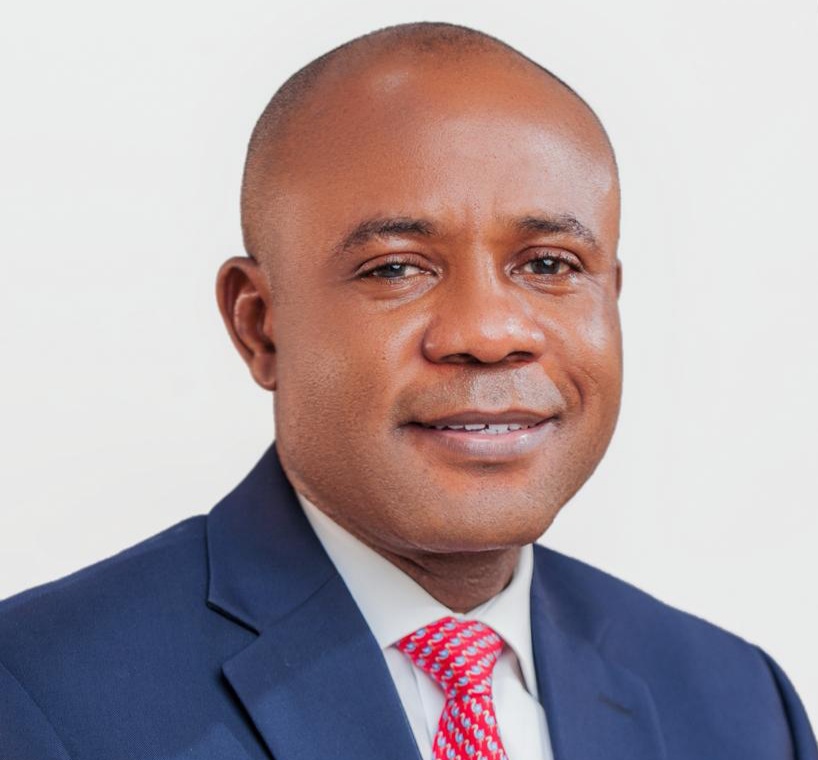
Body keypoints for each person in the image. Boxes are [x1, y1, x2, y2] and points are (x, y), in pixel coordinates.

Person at [0, 20, 814, 760]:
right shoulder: (37, 698)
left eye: (548, 265)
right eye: (395, 268)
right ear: (260, 325)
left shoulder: (741, 709)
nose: (489, 332)